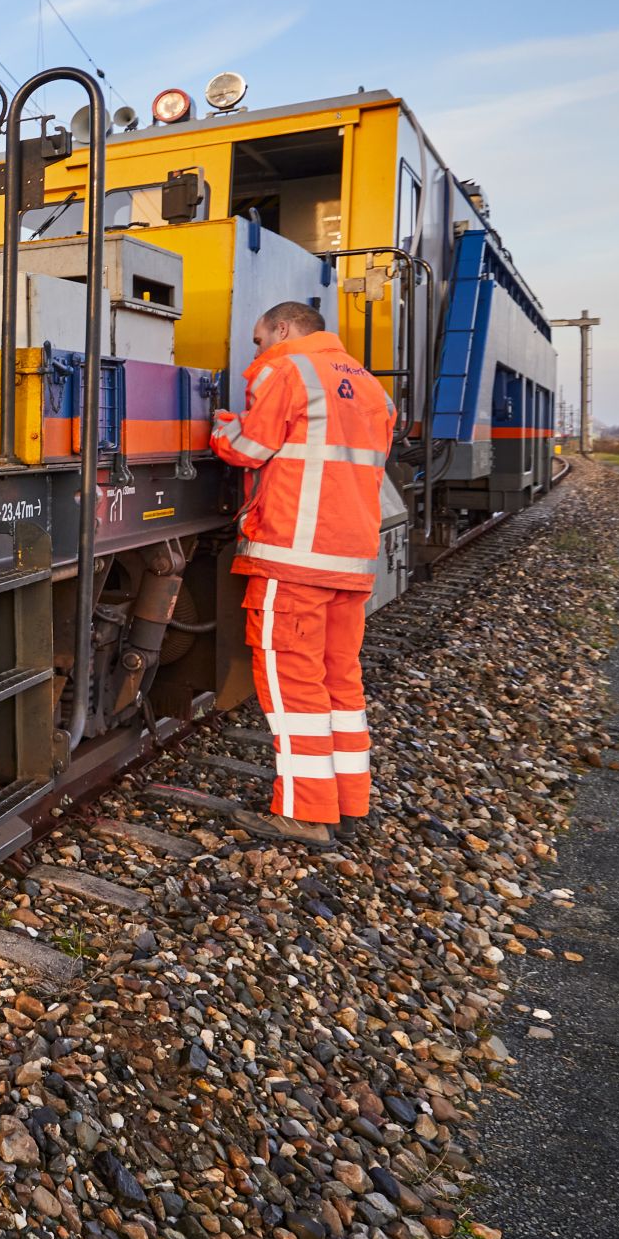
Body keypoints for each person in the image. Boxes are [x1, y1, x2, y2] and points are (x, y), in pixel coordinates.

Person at [209, 300, 394, 846]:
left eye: (260, 339)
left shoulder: (289, 370)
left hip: (294, 557)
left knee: (293, 687)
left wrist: (222, 426)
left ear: (284, 329)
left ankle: (306, 813)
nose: (258, 349)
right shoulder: (371, 387)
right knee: (340, 680)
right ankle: (348, 801)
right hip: (349, 560)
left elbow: (249, 448)